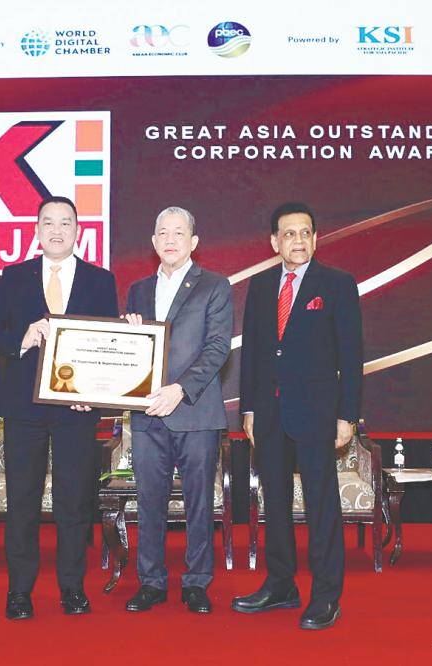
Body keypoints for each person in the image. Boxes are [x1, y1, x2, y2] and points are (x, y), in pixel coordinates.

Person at [0, 195, 118, 620]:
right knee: (23, 501)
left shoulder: (100, 280)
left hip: (78, 410)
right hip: (24, 409)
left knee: (74, 502)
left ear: (78, 231)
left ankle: (72, 589)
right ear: (36, 230)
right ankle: (18, 592)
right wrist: (22, 337)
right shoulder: (15, 276)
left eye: (65, 222)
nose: (56, 230)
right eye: (48, 222)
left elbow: (108, 344)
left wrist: (92, 392)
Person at [232, 202, 363, 630]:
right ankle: (281, 585)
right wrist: (248, 408)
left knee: (321, 506)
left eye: (305, 232)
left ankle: (326, 595)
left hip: (318, 416)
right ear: (275, 242)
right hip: (268, 415)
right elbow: (251, 352)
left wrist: (348, 416)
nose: (299, 240)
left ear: (315, 237)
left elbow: (352, 355)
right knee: (276, 503)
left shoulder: (338, 284)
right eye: (289, 234)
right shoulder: (261, 284)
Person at [122, 206, 233, 614]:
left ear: (194, 242)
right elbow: (132, 354)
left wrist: (180, 389)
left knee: (199, 502)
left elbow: (218, 347)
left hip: (195, 411)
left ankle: (197, 582)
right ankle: (150, 582)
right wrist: (127, 339)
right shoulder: (136, 289)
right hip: (146, 412)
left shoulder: (215, 286)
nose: (170, 239)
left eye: (178, 232)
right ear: (153, 242)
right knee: (148, 500)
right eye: (162, 233)